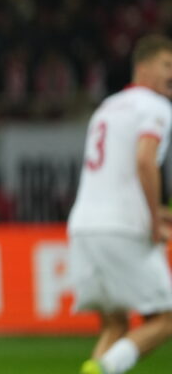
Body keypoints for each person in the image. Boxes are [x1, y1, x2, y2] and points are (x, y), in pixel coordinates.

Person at [69, 34, 172, 374]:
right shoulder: (156, 107)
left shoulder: (107, 107)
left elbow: (115, 172)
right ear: (142, 68)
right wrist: (154, 221)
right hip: (123, 229)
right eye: (167, 66)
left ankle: (97, 366)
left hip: (84, 228)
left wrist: (153, 210)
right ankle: (104, 369)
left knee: (115, 326)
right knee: (166, 319)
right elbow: (145, 160)